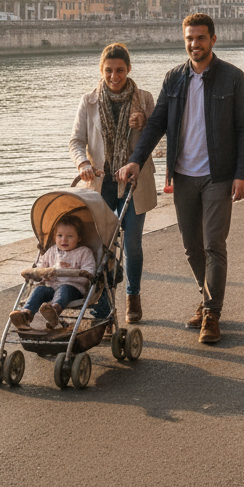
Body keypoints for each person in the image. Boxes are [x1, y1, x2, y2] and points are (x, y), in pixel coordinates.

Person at [117, 13, 244, 345]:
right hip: (183, 174)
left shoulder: (233, 78)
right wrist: (136, 160)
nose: (195, 44)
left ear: (213, 40)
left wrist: (242, 173)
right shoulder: (174, 78)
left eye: (201, 38)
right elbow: (156, 124)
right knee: (192, 248)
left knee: (213, 244)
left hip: (218, 175)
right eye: (190, 38)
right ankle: (205, 295)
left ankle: (211, 314)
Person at [69, 42, 156, 324]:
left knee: (132, 244)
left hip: (134, 182)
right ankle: (105, 306)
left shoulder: (144, 99)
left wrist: (144, 123)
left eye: (120, 70)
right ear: (101, 70)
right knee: (102, 246)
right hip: (101, 182)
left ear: (129, 69)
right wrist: (82, 164)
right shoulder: (89, 100)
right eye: (109, 70)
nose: (114, 76)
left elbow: (156, 137)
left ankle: (133, 296)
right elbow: (77, 141)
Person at [10, 214, 96, 331]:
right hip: (51, 286)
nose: (63, 240)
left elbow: (89, 272)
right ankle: (26, 314)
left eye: (69, 236)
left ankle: (54, 311)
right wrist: (40, 273)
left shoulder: (84, 252)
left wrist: (72, 271)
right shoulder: (51, 251)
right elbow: (41, 266)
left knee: (64, 289)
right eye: (59, 235)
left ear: (79, 238)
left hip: (73, 288)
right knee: (40, 290)